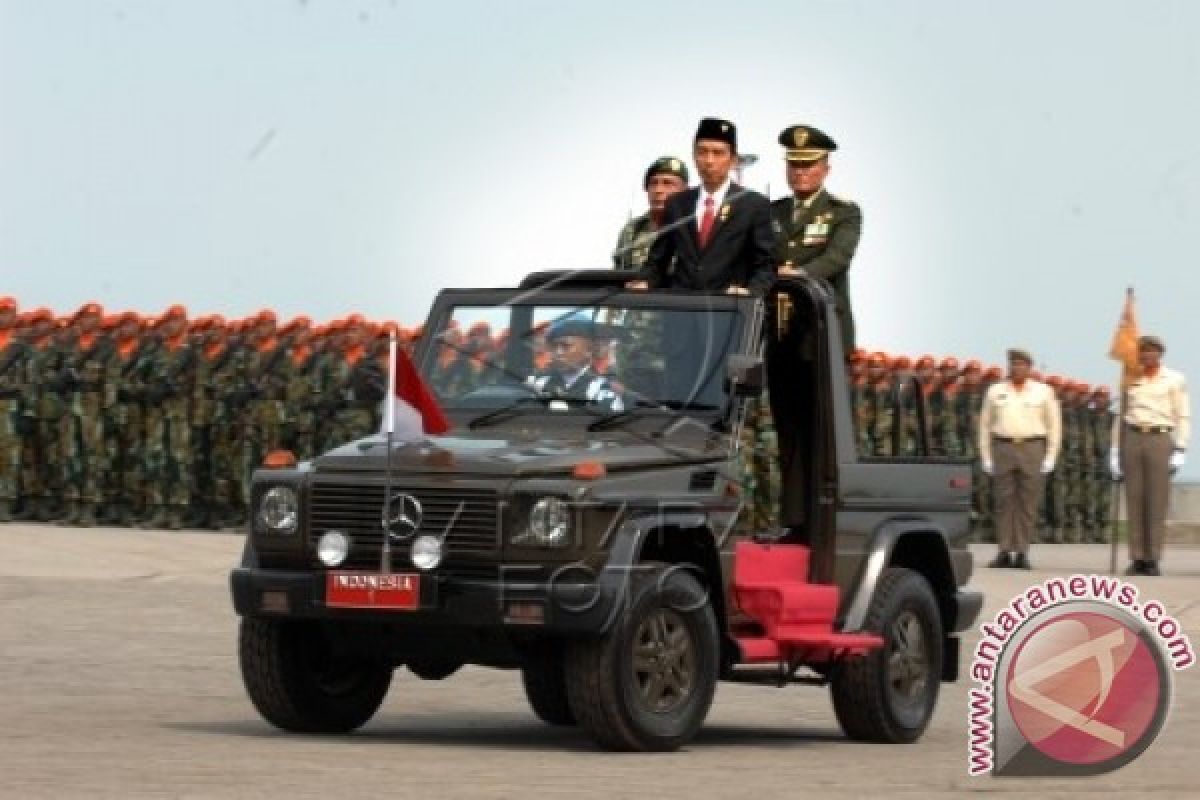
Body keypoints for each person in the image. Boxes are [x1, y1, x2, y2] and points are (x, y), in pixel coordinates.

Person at [629, 118, 775, 295]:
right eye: (702, 152)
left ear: (733, 160)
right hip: (683, 310)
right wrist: (645, 281)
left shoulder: (753, 205)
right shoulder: (677, 204)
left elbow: (765, 265)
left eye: (718, 153)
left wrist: (751, 292)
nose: (709, 161)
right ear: (693, 156)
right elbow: (658, 259)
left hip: (730, 313)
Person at [771, 125, 863, 351]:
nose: (800, 171)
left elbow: (837, 258)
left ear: (825, 169)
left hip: (822, 326)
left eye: (808, 164)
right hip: (777, 328)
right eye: (794, 164)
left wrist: (799, 275)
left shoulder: (843, 212)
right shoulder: (771, 211)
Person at [1111, 335, 1190, 576]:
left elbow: (1182, 415)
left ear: (1160, 354)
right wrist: (1115, 450)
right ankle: (1137, 558)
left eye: (1152, 351)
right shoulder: (1130, 379)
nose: (1147, 355)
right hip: (1133, 438)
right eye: (1143, 352)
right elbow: (1120, 416)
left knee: (1156, 501)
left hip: (1160, 437)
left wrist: (1181, 448)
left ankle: (1153, 558)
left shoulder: (1174, 379)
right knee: (1134, 499)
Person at [979, 348, 1062, 569]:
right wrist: (986, 455)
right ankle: (1004, 550)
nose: (1017, 368)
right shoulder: (995, 391)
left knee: (1028, 502)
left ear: (1029, 368)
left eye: (1022, 364)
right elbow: (985, 425)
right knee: (1003, 502)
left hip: (1032, 447)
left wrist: (1051, 455)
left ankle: (1022, 551)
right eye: (1014, 364)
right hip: (1003, 446)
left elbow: (1054, 425)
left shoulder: (1043, 392)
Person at [527, 314, 623, 412]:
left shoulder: (602, 391)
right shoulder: (538, 384)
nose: (558, 352)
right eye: (554, 346)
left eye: (566, 346)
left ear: (589, 350)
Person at [613, 157, 689, 271]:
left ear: (685, 190)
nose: (658, 190)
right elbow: (619, 274)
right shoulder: (633, 229)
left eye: (668, 184)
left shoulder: (694, 228)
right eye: (653, 183)